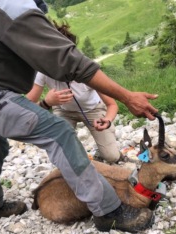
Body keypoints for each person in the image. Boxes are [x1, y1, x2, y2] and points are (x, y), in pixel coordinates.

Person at [0, 0, 158, 233]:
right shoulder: (13, 6)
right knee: (59, 132)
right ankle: (110, 212)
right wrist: (128, 96)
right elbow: (68, 59)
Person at [27, 22, 122, 164]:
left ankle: (102, 147)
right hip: (63, 111)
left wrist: (107, 121)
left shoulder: (86, 70)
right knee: (61, 155)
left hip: (93, 109)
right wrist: (46, 103)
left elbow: (112, 104)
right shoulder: (43, 70)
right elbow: (26, 105)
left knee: (112, 157)